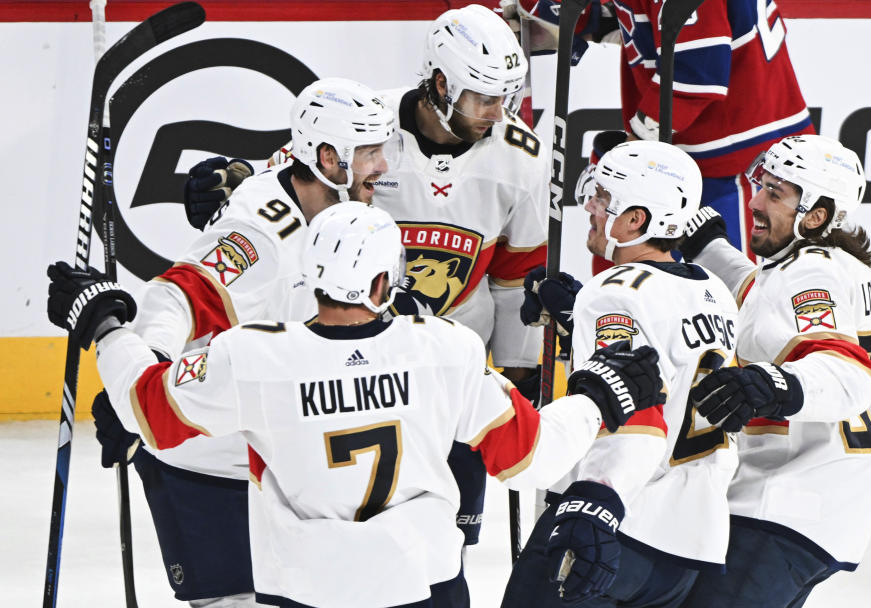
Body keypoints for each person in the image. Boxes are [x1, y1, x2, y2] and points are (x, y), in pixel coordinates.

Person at [47, 202, 666, 608]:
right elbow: (530, 458)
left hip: (305, 589)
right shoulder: (444, 349)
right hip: (423, 584)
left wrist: (104, 322)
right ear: (380, 283)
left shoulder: (254, 357)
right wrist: (595, 398)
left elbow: (148, 408)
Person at [184, 3, 549, 548]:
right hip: (354, 367)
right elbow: (297, 178)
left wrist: (522, 370)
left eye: (507, 97)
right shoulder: (365, 120)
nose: (499, 113)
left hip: (449, 367)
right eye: (485, 97)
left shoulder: (523, 157)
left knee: (444, 548)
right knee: (344, 535)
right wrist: (238, 180)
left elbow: (517, 276)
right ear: (441, 84)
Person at [87, 77, 400, 607]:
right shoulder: (259, 237)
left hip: (277, 465)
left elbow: (276, 158)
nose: (384, 167)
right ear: (328, 158)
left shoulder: (319, 184)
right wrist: (142, 375)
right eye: (370, 152)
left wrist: (236, 169)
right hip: (208, 465)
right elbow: (176, 297)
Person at [502, 140, 741, 607]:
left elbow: (628, 405)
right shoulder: (713, 291)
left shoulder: (612, 291)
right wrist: (576, 320)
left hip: (613, 523)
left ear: (637, 220)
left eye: (605, 199)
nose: (591, 206)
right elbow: (658, 365)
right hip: (689, 544)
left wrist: (593, 505)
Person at [677, 134, 871, 607]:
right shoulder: (830, 265)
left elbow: (847, 374)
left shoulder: (810, 274)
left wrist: (775, 382)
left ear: (815, 215)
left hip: (791, 498)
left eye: (776, 193)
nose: (754, 200)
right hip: (817, 498)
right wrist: (710, 247)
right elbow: (763, 297)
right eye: (762, 185)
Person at [505, 0, 815, 269]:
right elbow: (649, 23)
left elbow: (696, 72)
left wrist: (635, 145)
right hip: (717, 151)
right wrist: (576, 20)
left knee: (733, 303)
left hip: (741, 163)